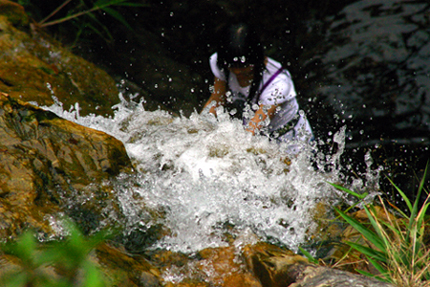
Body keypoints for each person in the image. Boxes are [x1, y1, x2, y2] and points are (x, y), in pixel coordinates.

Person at [202, 22, 314, 145]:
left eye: (244, 66)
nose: (238, 71)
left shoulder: (278, 84)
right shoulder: (222, 63)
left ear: (258, 58)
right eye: (233, 66)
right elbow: (217, 100)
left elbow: (252, 131)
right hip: (260, 133)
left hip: (289, 139)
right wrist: (199, 128)